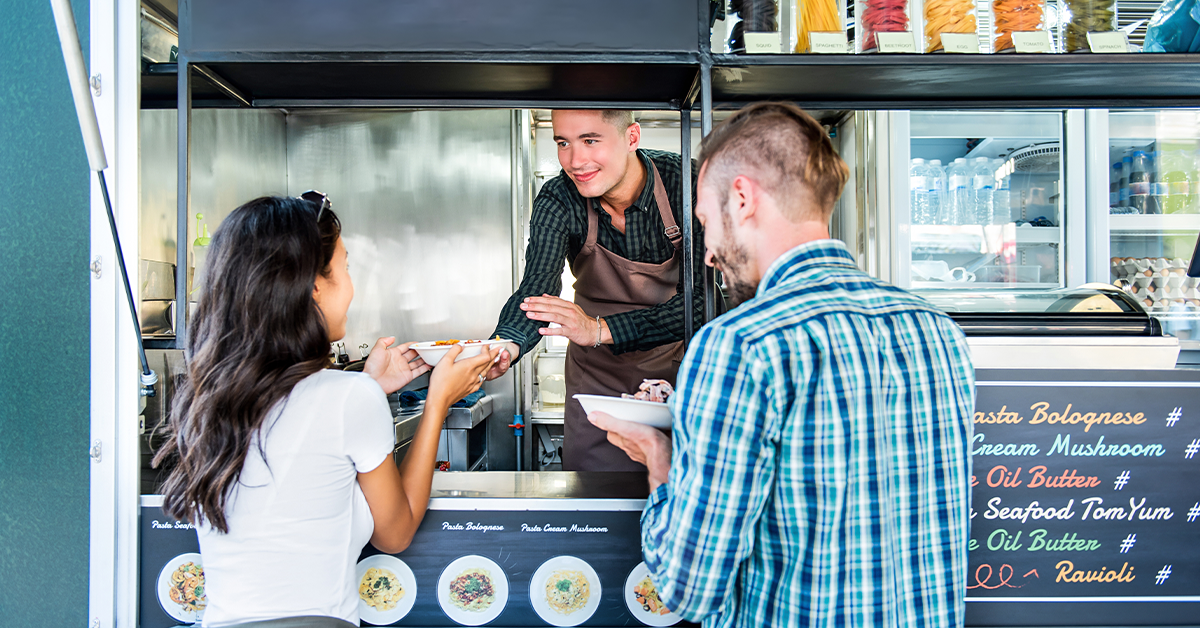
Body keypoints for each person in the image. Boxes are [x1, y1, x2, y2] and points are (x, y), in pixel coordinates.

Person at [590, 103, 976, 627]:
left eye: (706, 221)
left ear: (743, 199)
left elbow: (687, 587)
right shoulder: (937, 330)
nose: (708, 253)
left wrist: (659, 457)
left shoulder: (740, 345)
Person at [152, 194, 498, 628]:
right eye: (346, 268)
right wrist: (437, 404)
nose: (352, 286)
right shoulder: (348, 398)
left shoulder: (206, 401)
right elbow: (395, 533)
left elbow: (301, 445)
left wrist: (370, 386)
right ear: (315, 286)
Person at [486, 109, 704, 471]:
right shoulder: (559, 197)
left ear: (632, 137)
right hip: (596, 382)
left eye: (590, 141)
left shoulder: (688, 183)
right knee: (593, 497)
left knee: (681, 484)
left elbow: (702, 304)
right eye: (563, 143)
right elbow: (538, 287)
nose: (575, 161)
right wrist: (504, 346)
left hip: (679, 377)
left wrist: (599, 329)